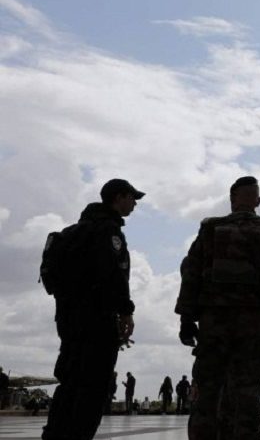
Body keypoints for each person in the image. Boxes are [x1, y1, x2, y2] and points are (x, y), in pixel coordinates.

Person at [175, 176, 260, 440]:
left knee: (206, 394)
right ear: (258, 201)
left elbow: (191, 273)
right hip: (252, 324)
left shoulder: (210, 228)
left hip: (213, 323)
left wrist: (186, 319)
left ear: (232, 199)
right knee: (247, 397)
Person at [41, 179, 142, 440]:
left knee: (70, 382)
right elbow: (113, 276)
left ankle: (54, 435)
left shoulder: (70, 233)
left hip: (68, 319)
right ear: (118, 197)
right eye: (132, 198)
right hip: (97, 319)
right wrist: (125, 311)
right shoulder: (108, 232)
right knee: (94, 385)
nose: (134, 204)